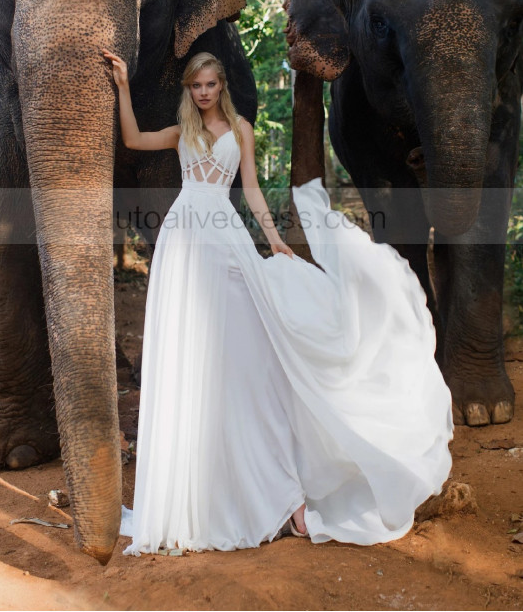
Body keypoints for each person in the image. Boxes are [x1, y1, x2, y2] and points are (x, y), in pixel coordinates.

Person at [103, 48, 453, 555]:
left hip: (223, 239)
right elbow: (133, 139)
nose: (202, 93)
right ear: (190, 90)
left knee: (253, 360)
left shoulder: (241, 129)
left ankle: (283, 490)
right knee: (191, 358)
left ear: (221, 86)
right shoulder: (182, 131)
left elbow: (251, 192)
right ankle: (197, 491)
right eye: (195, 86)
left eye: (209, 85)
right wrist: (122, 87)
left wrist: (275, 242)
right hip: (181, 242)